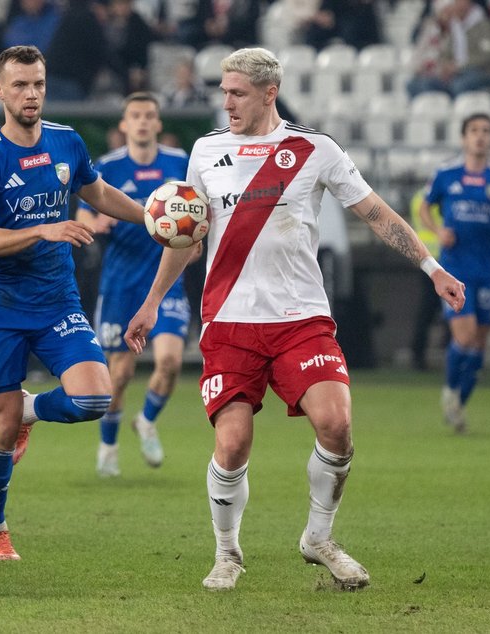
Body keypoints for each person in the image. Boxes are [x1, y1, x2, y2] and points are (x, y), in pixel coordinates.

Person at [124, 47, 466, 592]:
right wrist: (150, 302)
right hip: (230, 320)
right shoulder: (206, 150)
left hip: (300, 317)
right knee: (233, 443)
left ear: (268, 92)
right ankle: (227, 553)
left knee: (337, 423)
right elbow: (189, 237)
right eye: (223, 92)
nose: (226, 102)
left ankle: (318, 539)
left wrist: (431, 267)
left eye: (236, 93)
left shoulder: (313, 149)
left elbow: (375, 212)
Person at [0, 45, 145, 560]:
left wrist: (150, 219)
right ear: (0, 91)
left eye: (38, 83)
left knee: (94, 399)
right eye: (20, 85)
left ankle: (30, 411)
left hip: (57, 302)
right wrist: (45, 229)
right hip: (1, 306)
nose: (32, 94)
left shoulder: (67, 141)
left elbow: (99, 193)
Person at [75, 92, 192, 477]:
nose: (142, 122)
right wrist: (97, 225)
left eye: (149, 115)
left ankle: (147, 420)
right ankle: (108, 446)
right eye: (135, 116)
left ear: (158, 124)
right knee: (120, 374)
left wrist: (195, 240)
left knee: (171, 361)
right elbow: (83, 215)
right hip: (121, 283)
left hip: (165, 279)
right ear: (123, 125)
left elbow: (197, 214)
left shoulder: (181, 164)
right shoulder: (106, 168)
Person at [419, 112, 490, 434]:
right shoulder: (447, 173)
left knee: (479, 346)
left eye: (486, 131)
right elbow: (425, 207)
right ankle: (450, 392)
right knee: (463, 338)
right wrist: (438, 230)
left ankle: (459, 404)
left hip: (489, 269)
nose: (480, 136)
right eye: (475, 130)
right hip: (456, 269)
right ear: (464, 137)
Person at [409, 188, 446, 370]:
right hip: (438, 258)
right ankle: (442, 350)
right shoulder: (439, 196)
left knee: (426, 310)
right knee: (443, 308)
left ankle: (418, 353)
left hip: (426, 259)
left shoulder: (418, 197)